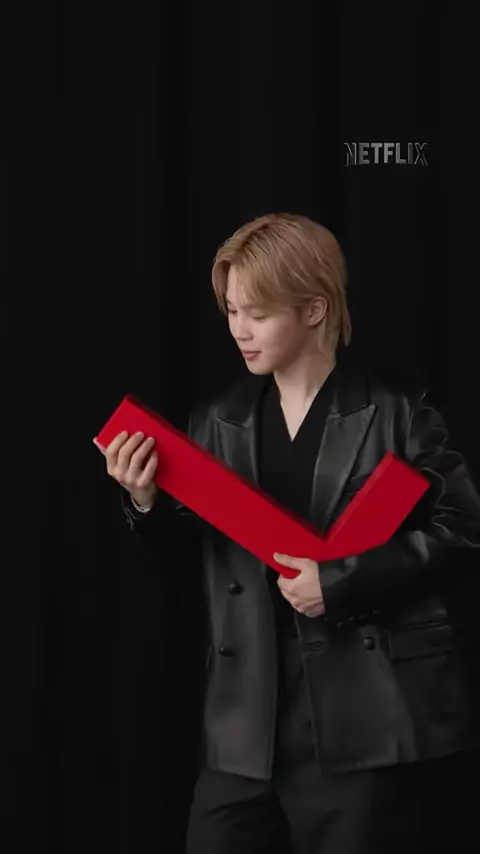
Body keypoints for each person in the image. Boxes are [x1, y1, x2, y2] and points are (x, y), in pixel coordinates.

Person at [94, 213, 480, 854]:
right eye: (231, 311)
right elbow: (190, 558)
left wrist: (342, 582)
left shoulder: (396, 411)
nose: (238, 330)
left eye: (257, 313)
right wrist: (145, 501)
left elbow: (465, 529)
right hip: (243, 731)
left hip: (363, 723)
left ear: (314, 309)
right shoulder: (216, 421)